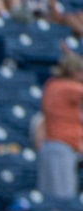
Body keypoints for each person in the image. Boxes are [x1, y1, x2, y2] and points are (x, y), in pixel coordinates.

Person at [38, 52, 83, 200]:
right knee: (63, 199)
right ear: (74, 72)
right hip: (60, 147)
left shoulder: (52, 85)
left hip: (54, 146)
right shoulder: (65, 87)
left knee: (51, 198)